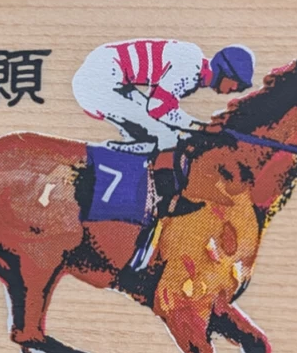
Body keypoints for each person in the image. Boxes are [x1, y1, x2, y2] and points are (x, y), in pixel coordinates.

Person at [70, 41, 258, 225]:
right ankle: (157, 198)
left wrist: (196, 127)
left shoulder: (193, 65)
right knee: (165, 137)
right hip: (97, 82)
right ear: (223, 72)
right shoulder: (189, 69)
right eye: (235, 84)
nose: (233, 90)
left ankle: (136, 178)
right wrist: (200, 127)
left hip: (108, 76)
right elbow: (158, 107)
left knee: (157, 136)